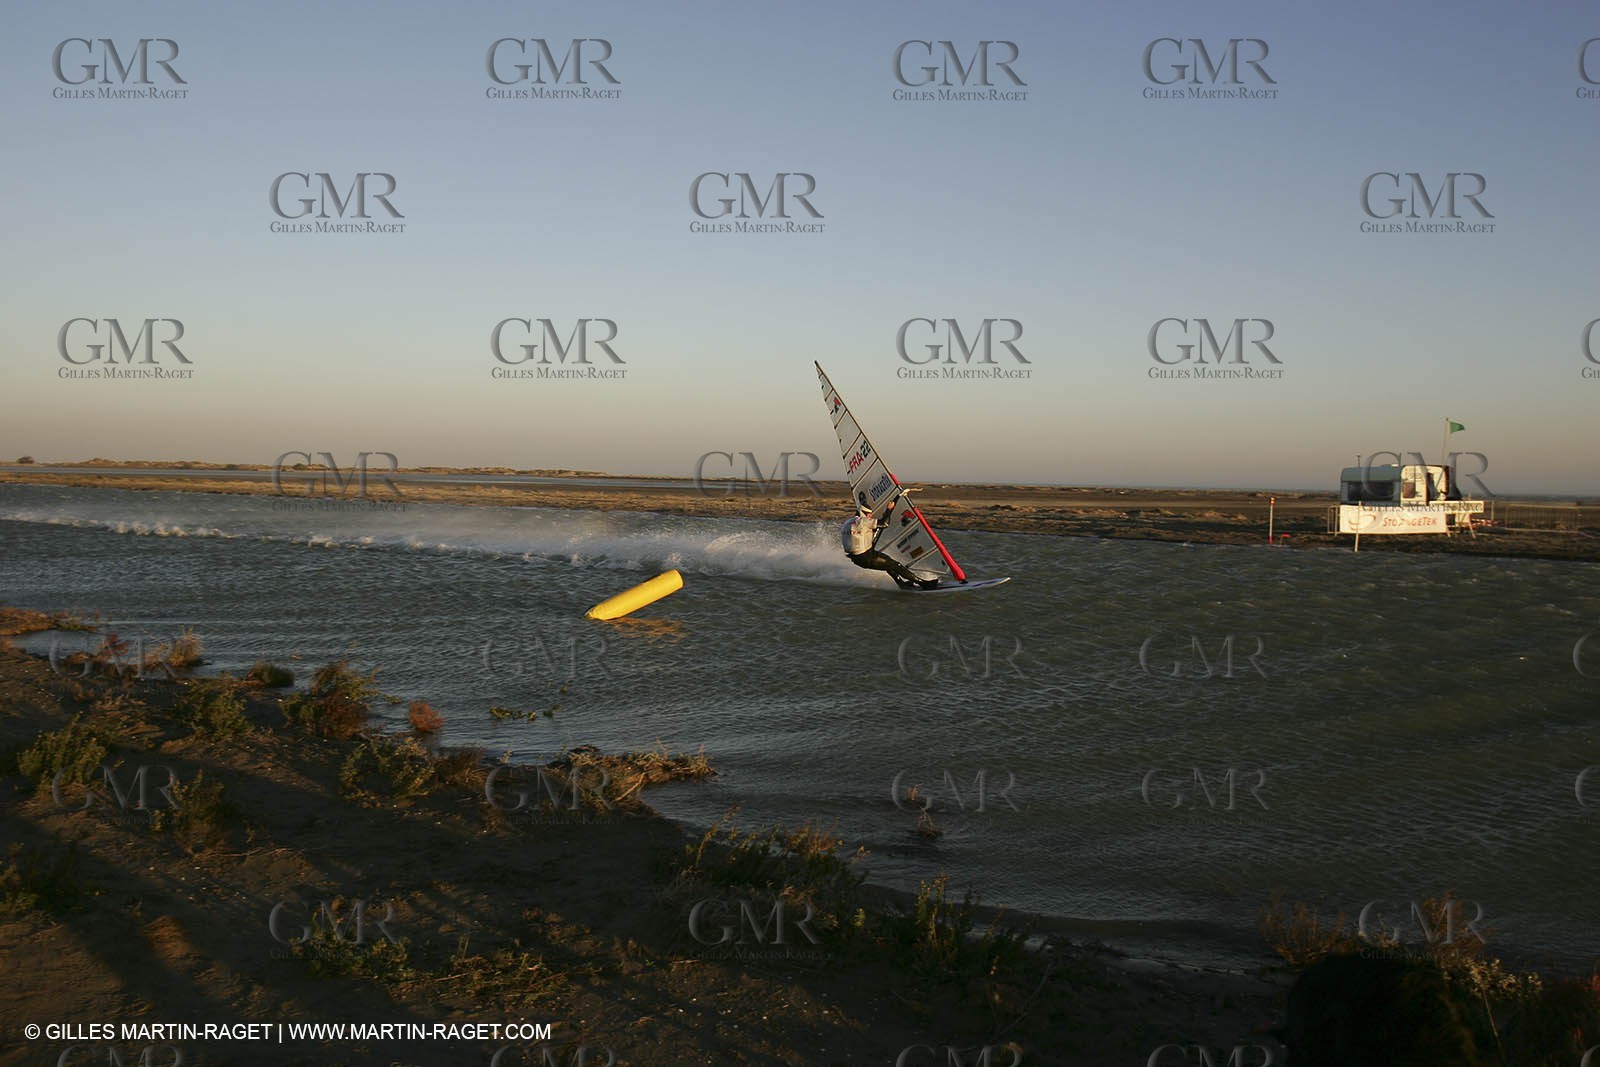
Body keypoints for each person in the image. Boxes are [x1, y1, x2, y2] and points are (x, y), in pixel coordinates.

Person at [840, 499, 938, 589]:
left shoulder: (848, 522)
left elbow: (857, 536)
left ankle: (901, 584)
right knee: (896, 565)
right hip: (866, 557)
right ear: (863, 513)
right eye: (869, 514)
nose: (870, 516)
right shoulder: (862, 521)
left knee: (888, 563)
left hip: (857, 558)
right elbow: (884, 523)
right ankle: (924, 583)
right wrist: (889, 510)